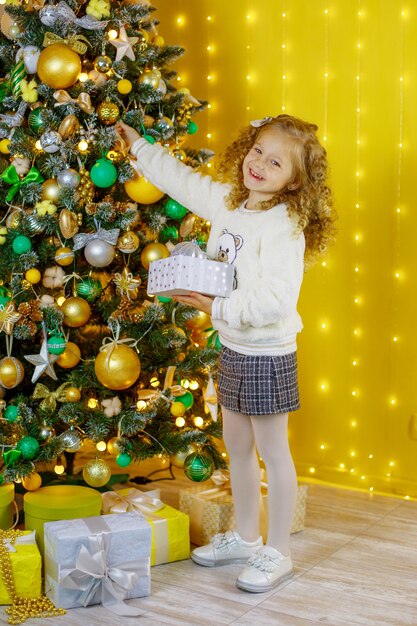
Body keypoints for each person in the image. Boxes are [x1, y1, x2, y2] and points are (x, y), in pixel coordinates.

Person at [116, 115, 336, 593]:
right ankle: (246, 536)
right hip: (233, 346)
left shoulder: (283, 228)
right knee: (236, 448)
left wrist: (218, 305)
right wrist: (140, 150)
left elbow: (277, 301)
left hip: (267, 354)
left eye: (275, 162)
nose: (258, 164)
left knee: (273, 453)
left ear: (295, 180)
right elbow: (184, 182)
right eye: (257, 151)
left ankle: (277, 552)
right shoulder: (233, 203)